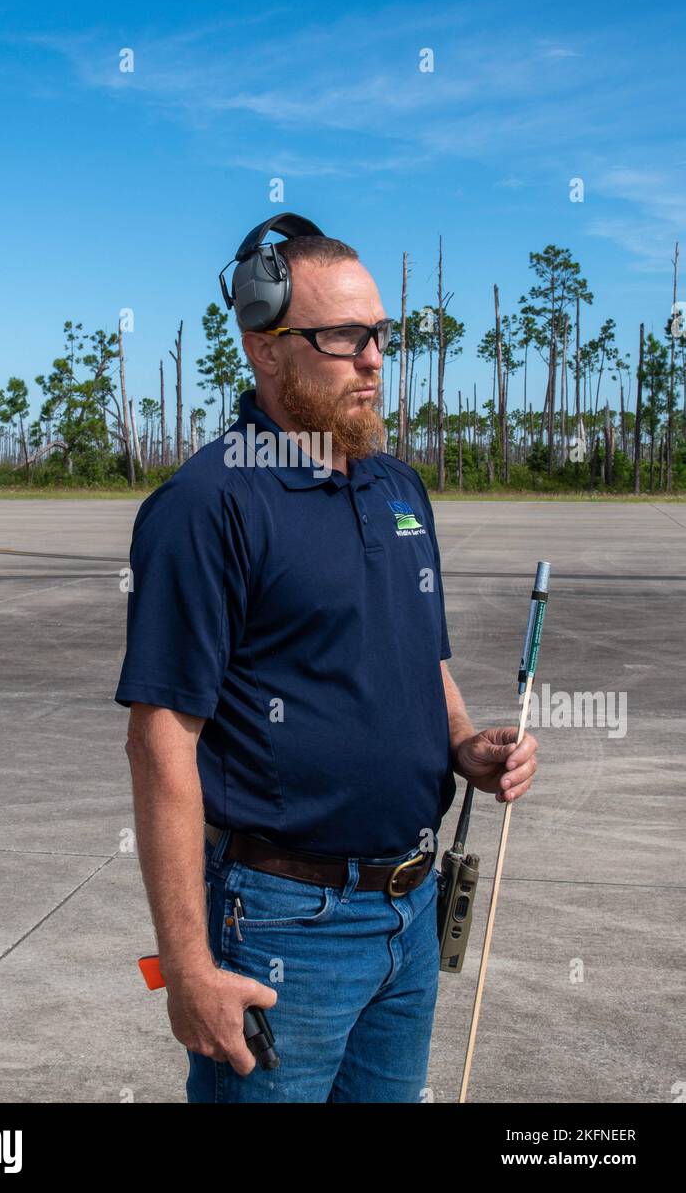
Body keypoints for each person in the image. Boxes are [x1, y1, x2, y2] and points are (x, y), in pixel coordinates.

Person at [116, 225, 538, 1103]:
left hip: (410, 910)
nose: (373, 359)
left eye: (381, 333)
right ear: (264, 347)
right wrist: (188, 968)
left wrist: (462, 743)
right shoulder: (207, 505)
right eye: (342, 337)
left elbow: (421, 653)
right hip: (281, 926)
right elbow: (162, 741)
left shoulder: (395, 486)